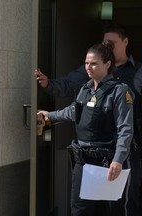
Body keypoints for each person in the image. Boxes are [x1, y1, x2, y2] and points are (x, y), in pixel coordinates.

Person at [35, 23, 142, 216]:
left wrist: (118, 160)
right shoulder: (85, 89)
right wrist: (49, 115)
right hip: (83, 160)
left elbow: (126, 129)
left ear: (107, 65)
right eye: (86, 63)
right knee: (79, 210)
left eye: (93, 64)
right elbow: (73, 111)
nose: (88, 68)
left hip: (108, 160)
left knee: (111, 210)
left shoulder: (120, 91)